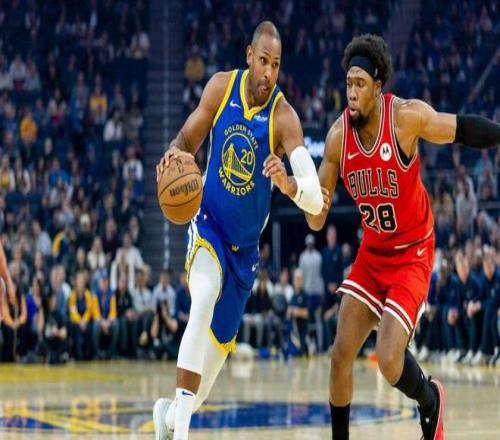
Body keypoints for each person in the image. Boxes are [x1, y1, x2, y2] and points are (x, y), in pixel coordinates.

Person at [306, 34, 500, 440]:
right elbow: (316, 221)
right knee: (340, 353)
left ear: (378, 86)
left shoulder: (405, 118)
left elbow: (462, 129)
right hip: (373, 253)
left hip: (413, 251)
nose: (352, 92)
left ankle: (430, 400)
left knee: (389, 360)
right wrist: (301, 192)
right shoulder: (337, 138)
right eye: (348, 83)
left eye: (360, 84)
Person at [153, 21, 326, 440]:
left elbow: (316, 201)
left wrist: (289, 184)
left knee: (204, 385)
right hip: (208, 226)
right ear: (249, 55)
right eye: (263, 60)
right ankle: (182, 435)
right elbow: (185, 139)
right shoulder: (220, 88)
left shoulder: (283, 117)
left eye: (276, 64)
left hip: (245, 253)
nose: (269, 72)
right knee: (202, 299)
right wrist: (172, 157)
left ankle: (170, 417)